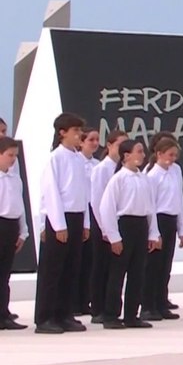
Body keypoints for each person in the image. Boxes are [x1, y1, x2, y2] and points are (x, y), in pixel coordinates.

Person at [34, 113, 90, 334]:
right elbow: (51, 193)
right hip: (60, 218)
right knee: (52, 270)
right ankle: (45, 317)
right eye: (75, 131)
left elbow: (84, 193)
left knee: (71, 268)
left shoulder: (78, 158)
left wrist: (85, 222)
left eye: (80, 131)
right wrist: (58, 225)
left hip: (76, 216)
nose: (79, 135)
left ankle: (64, 314)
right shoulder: (55, 158)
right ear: (62, 133)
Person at [98, 139, 160, 329]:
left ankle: (132, 315)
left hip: (141, 225)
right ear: (126, 156)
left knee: (137, 273)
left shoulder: (144, 178)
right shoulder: (118, 179)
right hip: (125, 225)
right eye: (139, 151)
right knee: (117, 273)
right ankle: (111, 315)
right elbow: (106, 208)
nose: (142, 155)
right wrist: (114, 237)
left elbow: (151, 208)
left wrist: (153, 233)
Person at [141, 136, 183, 321]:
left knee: (165, 266)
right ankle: (148, 306)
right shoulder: (152, 175)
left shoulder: (176, 171)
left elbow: (179, 199)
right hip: (158, 220)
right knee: (153, 266)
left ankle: (161, 302)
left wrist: (182, 229)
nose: (172, 159)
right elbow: (150, 205)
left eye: (175, 155)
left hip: (171, 219)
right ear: (159, 154)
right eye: (169, 155)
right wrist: (154, 232)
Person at [88, 131, 126, 323]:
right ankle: (97, 308)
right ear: (110, 145)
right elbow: (96, 200)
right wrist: (104, 228)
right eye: (120, 145)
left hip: (118, 223)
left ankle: (111, 306)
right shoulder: (102, 169)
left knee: (115, 267)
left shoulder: (123, 169)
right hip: (102, 223)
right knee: (101, 265)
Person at [0, 137, 29, 330]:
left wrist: (23, 232)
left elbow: (20, 206)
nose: (12, 159)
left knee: (5, 274)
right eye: (9, 155)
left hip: (11, 226)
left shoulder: (14, 178)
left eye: (15, 156)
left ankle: (4, 313)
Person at [75, 129, 101, 316]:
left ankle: (86, 299)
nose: (94, 143)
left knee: (91, 260)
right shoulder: (77, 162)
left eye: (97, 140)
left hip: (94, 210)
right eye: (90, 140)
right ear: (81, 142)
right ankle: (74, 301)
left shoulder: (97, 165)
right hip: (81, 210)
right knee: (78, 258)